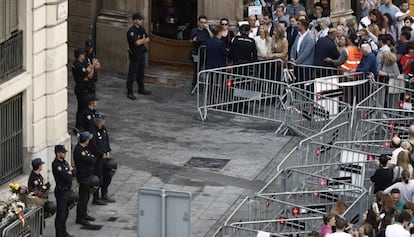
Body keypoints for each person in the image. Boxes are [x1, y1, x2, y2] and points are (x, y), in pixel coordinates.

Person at [89, 112, 115, 204]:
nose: (100, 122)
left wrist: (108, 151)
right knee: (98, 178)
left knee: (108, 175)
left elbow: (106, 141)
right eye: (99, 121)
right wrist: (100, 154)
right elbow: (93, 145)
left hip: (105, 157)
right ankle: (96, 198)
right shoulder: (92, 131)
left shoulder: (104, 130)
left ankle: (104, 193)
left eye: (102, 121)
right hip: (98, 159)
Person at [126, 13, 151, 100]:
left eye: (141, 19)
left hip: (141, 53)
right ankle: (129, 92)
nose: (141, 21)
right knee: (132, 74)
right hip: (135, 55)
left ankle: (141, 88)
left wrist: (142, 40)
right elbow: (136, 43)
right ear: (135, 20)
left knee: (141, 73)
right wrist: (143, 40)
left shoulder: (141, 29)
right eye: (139, 19)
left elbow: (148, 39)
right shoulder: (131, 31)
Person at [74, 131, 96, 225]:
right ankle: (80, 217)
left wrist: (91, 159)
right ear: (85, 140)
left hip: (87, 175)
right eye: (88, 139)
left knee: (86, 196)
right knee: (83, 197)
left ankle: (84, 213)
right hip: (83, 176)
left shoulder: (85, 149)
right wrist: (91, 159)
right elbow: (90, 160)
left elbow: (92, 158)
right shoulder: (79, 150)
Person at [52, 145, 75, 237]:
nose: (65, 154)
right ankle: (59, 233)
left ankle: (63, 231)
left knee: (66, 212)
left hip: (67, 190)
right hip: (61, 191)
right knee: (61, 213)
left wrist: (70, 172)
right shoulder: (57, 165)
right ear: (58, 153)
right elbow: (67, 177)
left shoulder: (64, 162)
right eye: (63, 152)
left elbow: (73, 172)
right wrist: (69, 173)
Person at [72, 48, 97, 130]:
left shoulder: (76, 64)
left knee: (81, 107)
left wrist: (89, 69)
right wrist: (92, 67)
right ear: (80, 55)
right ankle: (80, 125)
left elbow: (86, 71)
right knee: (83, 107)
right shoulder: (78, 65)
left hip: (80, 87)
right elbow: (89, 75)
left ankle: (79, 124)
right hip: (81, 88)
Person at [189, 15, 213, 94]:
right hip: (198, 52)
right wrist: (194, 39)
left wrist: (208, 29)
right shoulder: (195, 30)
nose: (203, 24)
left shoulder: (208, 29)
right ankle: (194, 85)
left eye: (205, 22)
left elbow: (212, 38)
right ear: (198, 22)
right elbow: (192, 39)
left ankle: (208, 87)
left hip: (208, 53)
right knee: (197, 69)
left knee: (208, 69)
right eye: (202, 22)